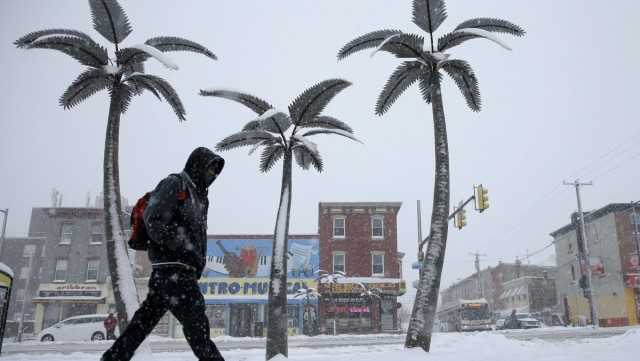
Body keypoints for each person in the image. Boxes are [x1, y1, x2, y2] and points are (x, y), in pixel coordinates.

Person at [101, 147, 226, 361]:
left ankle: (113, 358)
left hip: (175, 273)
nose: (213, 175)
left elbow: (198, 236)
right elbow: (153, 219)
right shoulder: (175, 184)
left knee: (141, 325)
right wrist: (181, 245)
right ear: (198, 164)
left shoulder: (201, 197)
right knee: (198, 329)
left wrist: (197, 262)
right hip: (174, 270)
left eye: (216, 171)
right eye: (210, 168)